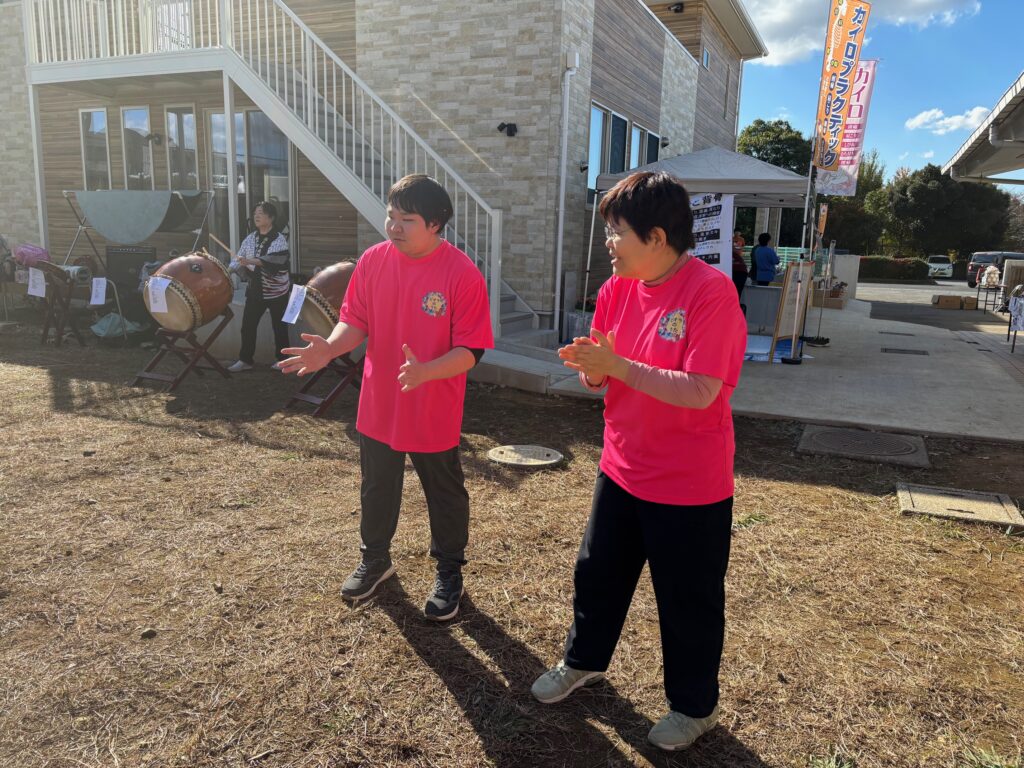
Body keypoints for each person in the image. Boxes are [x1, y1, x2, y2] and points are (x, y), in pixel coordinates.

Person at [532, 171, 746, 752]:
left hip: (690, 482)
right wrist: (594, 369)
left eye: (617, 231)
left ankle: (694, 708)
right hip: (622, 465)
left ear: (656, 237)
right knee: (597, 574)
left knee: (688, 600)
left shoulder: (710, 293)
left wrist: (618, 367)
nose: (608, 242)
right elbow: (602, 374)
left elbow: (702, 389)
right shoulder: (615, 289)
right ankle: (583, 661)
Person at [279, 174, 494, 621]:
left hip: (432, 404)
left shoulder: (461, 273)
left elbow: (471, 349)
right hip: (379, 401)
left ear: (435, 224)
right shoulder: (373, 261)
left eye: (407, 219)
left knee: (444, 491)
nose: (394, 226)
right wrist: (329, 348)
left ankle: (449, 570)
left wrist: (427, 372)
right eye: (391, 216)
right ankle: (375, 559)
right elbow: (355, 320)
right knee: (377, 486)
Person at [227, 201, 292, 372]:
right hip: (255, 288)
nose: (256, 216)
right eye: (255, 213)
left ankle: (284, 360)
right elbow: (239, 257)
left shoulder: (279, 239)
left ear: (271, 218)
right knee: (248, 326)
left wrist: (248, 261)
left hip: (277, 290)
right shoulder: (251, 238)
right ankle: (245, 360)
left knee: (279, 326)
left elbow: (273, 260)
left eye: (261, 213)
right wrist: (227, 271)